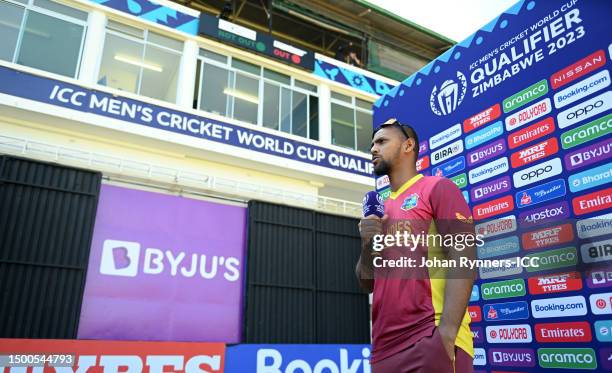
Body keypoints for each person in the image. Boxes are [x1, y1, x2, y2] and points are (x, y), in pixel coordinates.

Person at [356, 118, 476, 373]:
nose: (373, 149)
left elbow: (464, 254)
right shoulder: (379, 210)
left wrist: (446, 332)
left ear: (408, 145)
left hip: (428, 335)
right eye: (372, 144)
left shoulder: (436, 187)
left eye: (381, 142)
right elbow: (365, 283)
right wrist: (367, 246)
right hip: (383, 349)